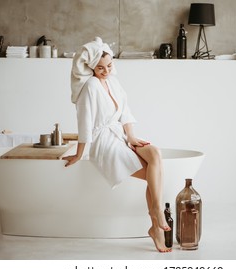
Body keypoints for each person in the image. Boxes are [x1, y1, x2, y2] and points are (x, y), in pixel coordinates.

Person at [63, 37, 172, 253]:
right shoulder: (90, 87)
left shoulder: (113, 82)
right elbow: (84, 124)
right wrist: (79, 153)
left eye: (110, 65)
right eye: (100, 68)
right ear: (92, 67)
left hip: (121, 135)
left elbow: (125, 112)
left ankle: (156, 215)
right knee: (153, 170)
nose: (106, 71)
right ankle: (156, 222)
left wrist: (131, 137)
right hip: (103, 142)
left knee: (155, 153)